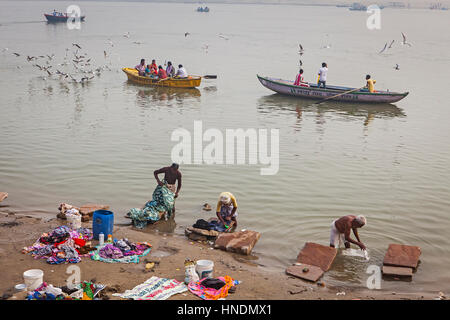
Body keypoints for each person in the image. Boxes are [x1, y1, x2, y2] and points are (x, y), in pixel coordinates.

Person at [127, 163, 182, 228]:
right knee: (159, 200)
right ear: (171, 167)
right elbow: (155, 172)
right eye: (172, 170)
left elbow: (179, 185)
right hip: (163, 186)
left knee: (171, 205)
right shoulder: (166, 169)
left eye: (174, 170)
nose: (173, 171)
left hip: (172, 188)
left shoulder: (178, 174)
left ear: (176, 169)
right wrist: (158, 181)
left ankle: (171, 219)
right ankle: (161, 214)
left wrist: (177, 193)